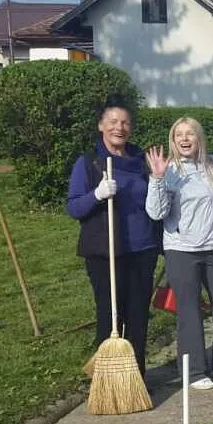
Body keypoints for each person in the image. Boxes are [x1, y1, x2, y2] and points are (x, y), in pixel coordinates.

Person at [66, 98, 161, 382]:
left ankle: (135, 380)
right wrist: (96, 195)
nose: (119, 127)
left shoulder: (142, 161)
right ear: (101, 126)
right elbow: (73, 208)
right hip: (105, 252)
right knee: (110, 317)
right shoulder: (89, 163)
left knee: (138, 317)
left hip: (142, 249)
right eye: (113, 122)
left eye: (125, 122)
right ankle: (107, 380)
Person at [145, 117, 213, 389]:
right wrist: (158, 179)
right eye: (178, 136)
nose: (185, 140)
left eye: (190, 134)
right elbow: (156, 212)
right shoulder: (170, 170)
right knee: (189, 311)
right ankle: (195, 372)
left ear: (199, 138)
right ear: (173, 141)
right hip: (181, 250)